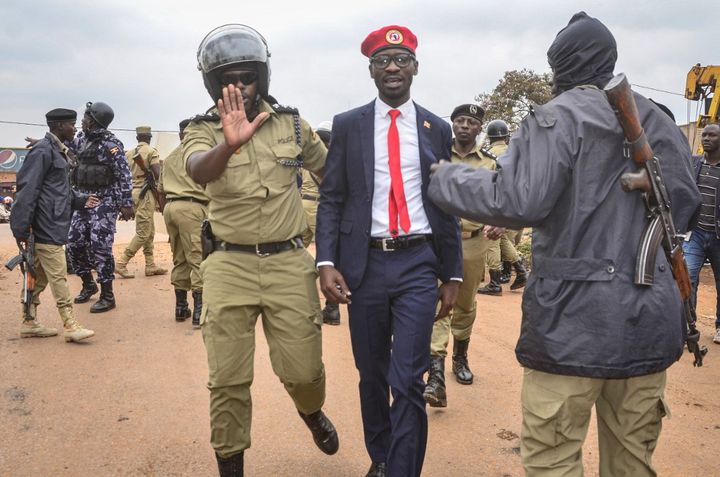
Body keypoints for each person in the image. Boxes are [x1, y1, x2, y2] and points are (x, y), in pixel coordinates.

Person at [428, 12, 700, 477]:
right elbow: (686, 206)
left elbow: (513, 199)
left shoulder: (555, 117)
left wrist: (442, 178)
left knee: (553, 462)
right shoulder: (659, 120)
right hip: (648, 327)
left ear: (562, 66)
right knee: (633, 463)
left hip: (571, 326)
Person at [184, 24, 338, 476]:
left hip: (290, 262)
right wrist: (228, 146)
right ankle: (232, 466)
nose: (239, 88)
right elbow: (197, 170)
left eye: (247, 78)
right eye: (228, 80)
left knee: (304, 372)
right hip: (228, 264)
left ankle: (311, 412)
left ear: (262, 78)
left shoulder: (293, 124)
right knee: (228, 380)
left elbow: (332, 177)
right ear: (213, 85)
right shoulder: (201, 129)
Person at [316, 25, 462, 477]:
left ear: (415, 67)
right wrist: (326, 262)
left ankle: (401, 470)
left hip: (418, 263)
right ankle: (380, 456)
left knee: (408, 378)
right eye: (383, 60)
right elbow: (333, 198)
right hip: (366, 265)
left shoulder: (437, 128)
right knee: (372, 374)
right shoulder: (348, 125)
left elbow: (446, 202)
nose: (393, 67)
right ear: (371, 70)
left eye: (401, 60)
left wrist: (452, 272)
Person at [424, 103, 501, 408]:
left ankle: (460, 357)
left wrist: (500, 221)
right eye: (460, 121)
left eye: (471, 122)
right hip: (436, 241)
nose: (465, 126)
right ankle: (436, 373)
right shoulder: (437, 155)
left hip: (472, 241)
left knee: (465, 304)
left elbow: (501, 198)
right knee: (437, 301)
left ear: (480, 128)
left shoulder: (490, 164)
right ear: (453, 124)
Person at [10, 108, 99, 342]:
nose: (75, 128)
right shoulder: (42, 151)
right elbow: (27, 191)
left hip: (52, 224)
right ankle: (70, 324)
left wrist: (79, 201)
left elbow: (57, 191)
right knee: (58, 274)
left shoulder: (57, 152)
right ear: (59, 126)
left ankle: (29, 321)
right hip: (44, 227)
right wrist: (20, 227)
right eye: (71, 124)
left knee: (38, 277)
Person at [67, 101, 134, 313]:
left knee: (100, 246)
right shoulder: (81, 141)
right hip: (83, 199)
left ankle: (107, 295)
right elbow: (62, 146)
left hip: (105, 201)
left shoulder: (111, 144)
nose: (82, 121)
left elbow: (124, 174)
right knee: (74, 243)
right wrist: (44, 142)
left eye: (86, 118)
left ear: (94, 120)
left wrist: (126, 203)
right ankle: (88, 283)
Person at [159, 119, 207, 326]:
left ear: (179, 135)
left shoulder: (169, 158)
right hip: (192, 208)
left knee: (179, 257)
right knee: (197, 258)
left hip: (171, 208)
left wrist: (165, 213)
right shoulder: (199, 156)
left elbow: (160, 191)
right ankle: (199, 310)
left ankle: (181, 307)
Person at [300, 121, 341, 325]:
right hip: (320, 208)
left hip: (302, 207)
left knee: (293, 252)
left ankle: (296, 300)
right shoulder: (331, 160)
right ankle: (332, 308)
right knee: (330, 254)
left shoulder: (307, 159)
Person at [684, 122, 720, 344]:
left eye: (712, 135)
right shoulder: (694, 163)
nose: (706, 138)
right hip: (695, 234)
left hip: (718, 236)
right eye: (704, 135)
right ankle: (689, 326)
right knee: (687, 278)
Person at [115, 126, 167, 278]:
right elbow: (158, 174)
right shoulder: (152, 151)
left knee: (149, 230)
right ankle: (122, 262)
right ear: (149, 137)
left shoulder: (129, 153)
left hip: (133, 193)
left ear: (138, 138)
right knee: (143, 233)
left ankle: (150, 265)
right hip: (146, 194)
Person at [486, 119, 528, 289]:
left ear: (490, 137)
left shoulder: (487, 155)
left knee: (493, 240)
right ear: (506, 136)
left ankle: (498, 281)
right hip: (519, 204)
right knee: (506, 239)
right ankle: (516, 271)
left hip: (497, 205)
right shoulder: (517, 153)